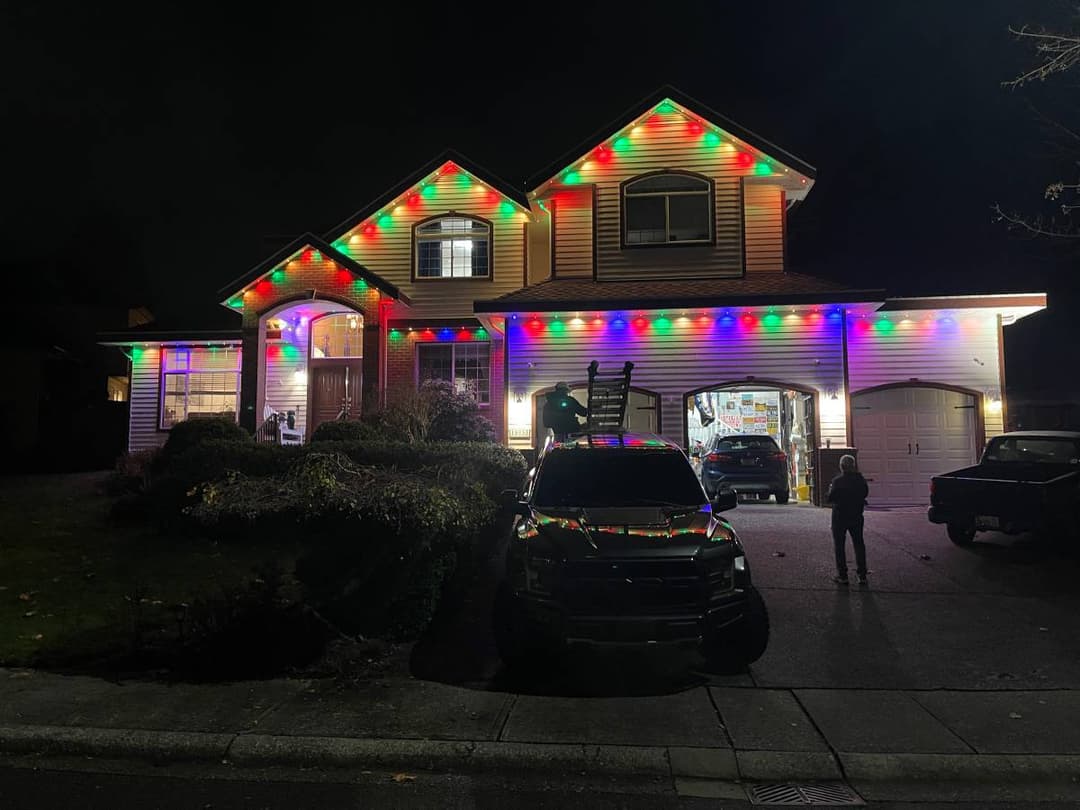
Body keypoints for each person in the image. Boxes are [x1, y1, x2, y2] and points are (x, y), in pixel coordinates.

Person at [826, 454, 869, 586]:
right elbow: (865, 493)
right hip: (856, 515)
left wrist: (830, 490)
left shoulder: (837, 481)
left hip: (840, 516)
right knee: (859, 544)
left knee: (839, 545)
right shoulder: (860, 480)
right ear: (853, 466)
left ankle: (843, 575)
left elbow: (830, 498)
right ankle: (862, 575)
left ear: (842, 466)